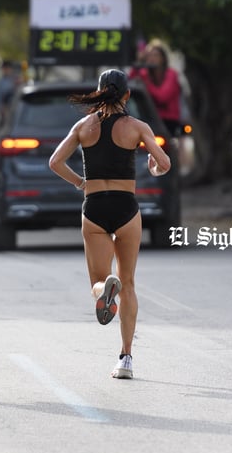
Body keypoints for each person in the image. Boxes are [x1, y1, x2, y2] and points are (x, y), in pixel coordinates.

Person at [48, 69, 171, 380]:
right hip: (126, 208)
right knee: (129, 283)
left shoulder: (83, 127)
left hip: (95, 208)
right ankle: (126, 358)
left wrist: (79, 182)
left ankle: (105, 289)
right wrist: (153, 168)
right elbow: (164, 164)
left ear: (99, 92)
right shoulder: (137, 127)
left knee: (96, 281)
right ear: (127, 95)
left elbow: (54, 162)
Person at [128, 40, 182, 138]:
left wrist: (146, 82)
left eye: (156, 55)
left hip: (167, 121)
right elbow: (130, 83)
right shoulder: (145, 74)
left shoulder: (171, 75)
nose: (152, 59)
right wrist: (139, 63)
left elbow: (163, 97)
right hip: (148, 119)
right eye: (148, 56)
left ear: (163, 58)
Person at [0, 60, 19, 126]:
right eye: (4, 68)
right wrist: (1, 109)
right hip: (6, 109)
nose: (6, 70)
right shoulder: (1, 82)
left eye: (7, 68)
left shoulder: (17, 79)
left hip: (17, 109)